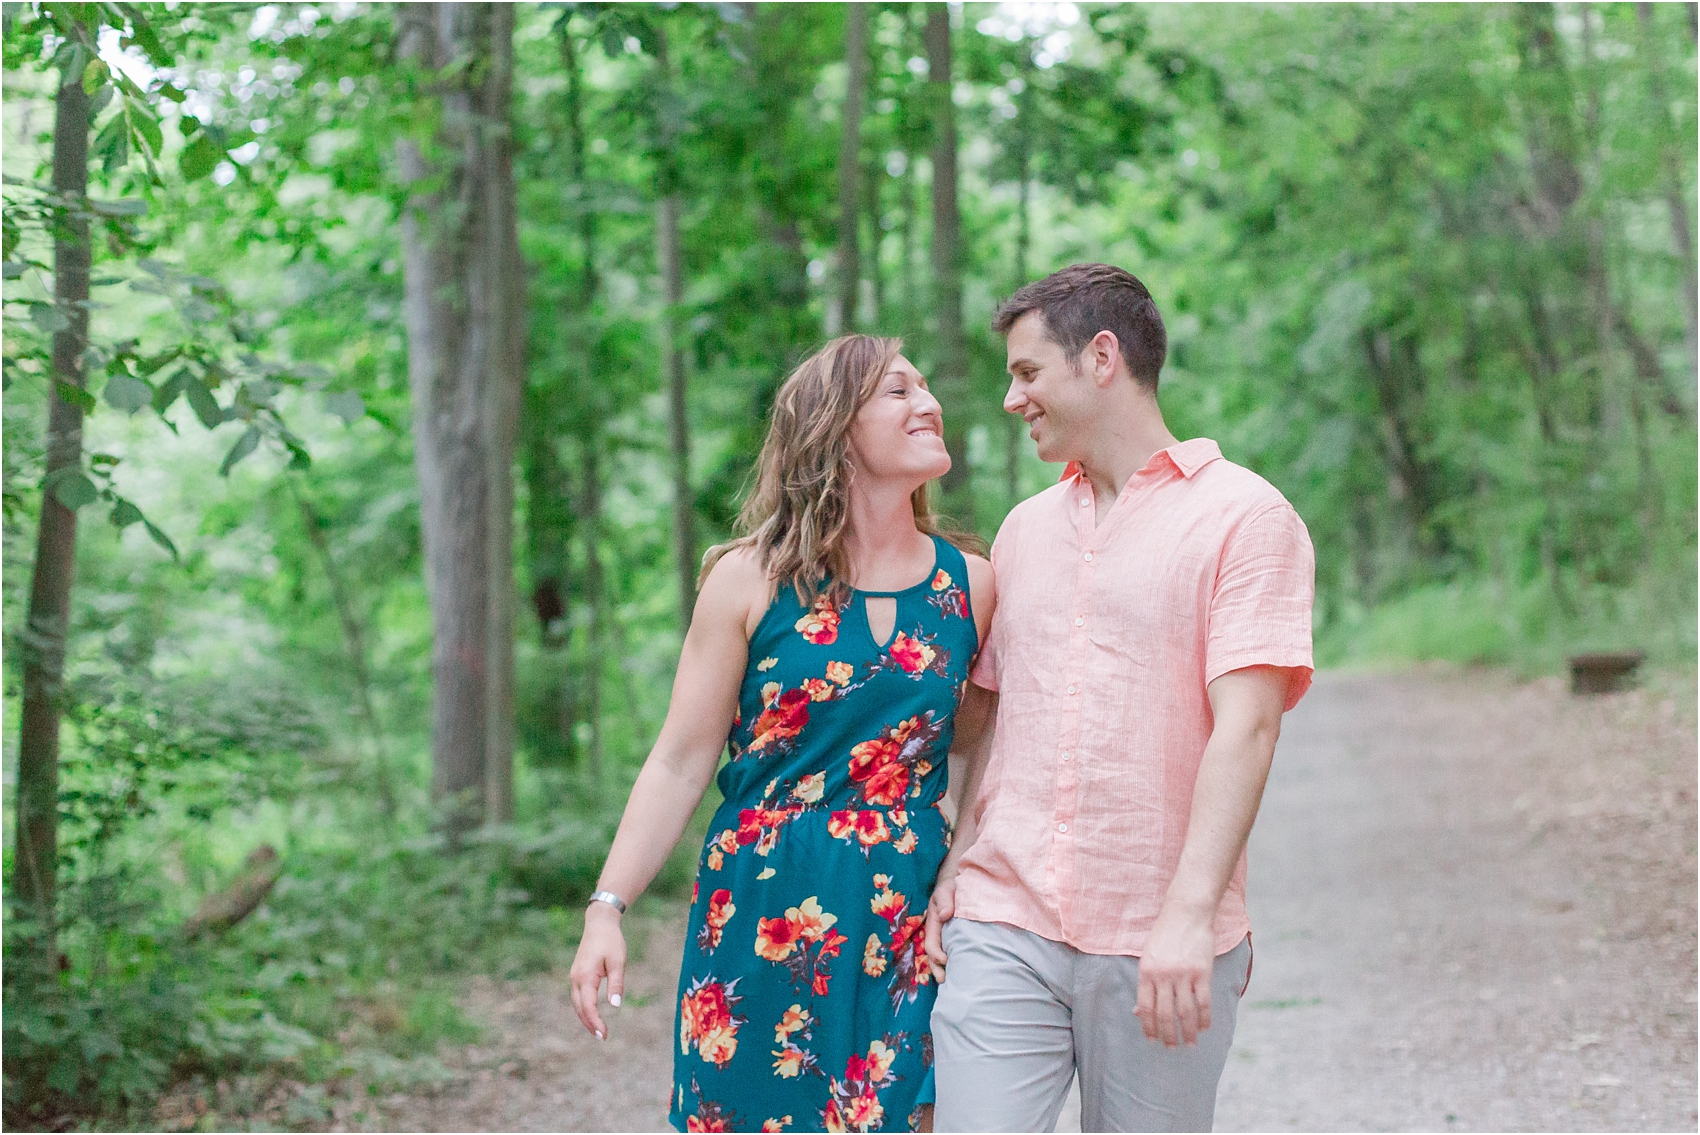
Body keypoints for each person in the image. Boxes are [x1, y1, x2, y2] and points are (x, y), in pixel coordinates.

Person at [923, 264, 1315, 1133]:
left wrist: (1187, 915)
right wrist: (957, 864)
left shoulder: (1246, 518)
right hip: (1005, 918)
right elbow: (998, 720)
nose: (1010, 399)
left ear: (1101, 357)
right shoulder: (1024, 530)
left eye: (1027, 373)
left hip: (1159, 934)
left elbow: (1246, 730)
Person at [569, 334, 994, 1134]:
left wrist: (961, 868)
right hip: (763, 904)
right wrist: (607, 906)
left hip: (906, 910)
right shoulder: (748, 579)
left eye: (927, 386)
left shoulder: (968, 583)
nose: (929, 403)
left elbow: (977, 742)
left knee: (908, 1117)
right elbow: (679, 759)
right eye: (899, 391)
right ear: (835, 428)